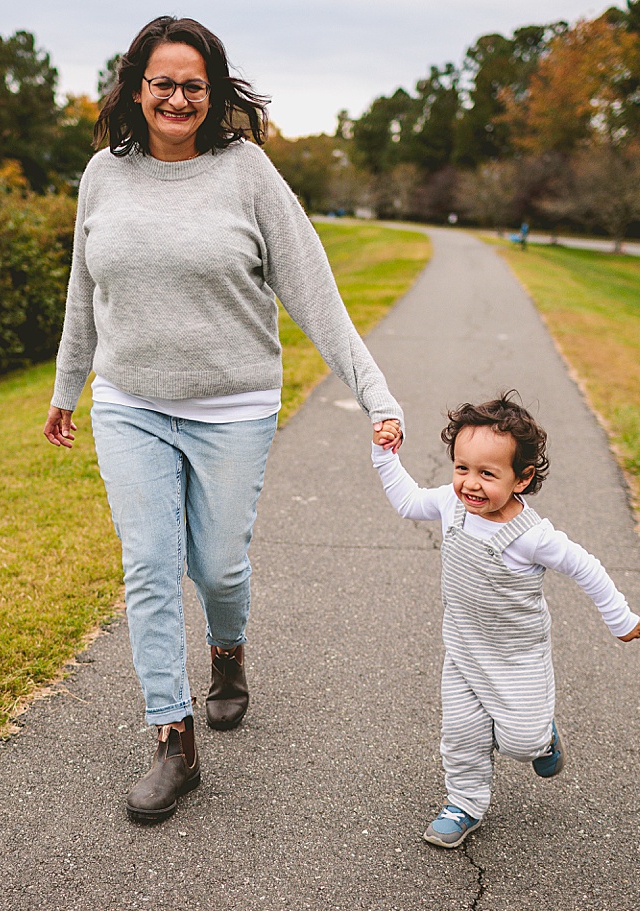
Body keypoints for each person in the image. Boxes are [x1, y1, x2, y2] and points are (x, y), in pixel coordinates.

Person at [43, 15, 404, 823]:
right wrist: (68, 388)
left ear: (213, 94)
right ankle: (173, 741)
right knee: (149, 566)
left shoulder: (247, 174)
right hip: (131, 403)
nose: (176, 97)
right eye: (162, 83)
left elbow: (315, 290)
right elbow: (84, 291)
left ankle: (228, 654)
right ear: (137, 88)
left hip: (232, 407)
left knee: (219, 569)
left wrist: (375, 393)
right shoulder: (103, 173)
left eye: (192, 85)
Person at [370, 392, 640, 847]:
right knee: (460, 735)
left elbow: (586, 567)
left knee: (520, 741)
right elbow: (406, 501)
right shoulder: (450, 504)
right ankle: (464, 803)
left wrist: (619, 618)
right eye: (462, 468)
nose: (471, 484)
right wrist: (385, 454)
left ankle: (542, 740)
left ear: (521, 479)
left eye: (487, 474)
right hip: (463, 649)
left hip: (517, 658)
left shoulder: (532, 537)